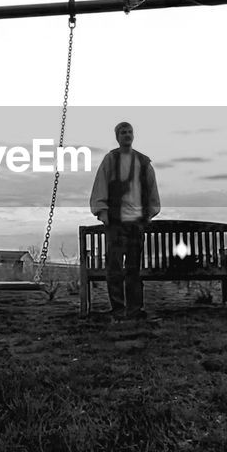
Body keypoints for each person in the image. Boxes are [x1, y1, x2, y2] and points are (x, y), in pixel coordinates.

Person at [89, 122, 161, 318]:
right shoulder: (110, 159)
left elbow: (152, 191)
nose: (127, 135)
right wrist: (102, 213)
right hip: (115, 222)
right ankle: (119, 308)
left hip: (136, 223)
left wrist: (149, 214)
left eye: (129, 132)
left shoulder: (144, 162)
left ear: (133, 135)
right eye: (123, 132)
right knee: (114, 268)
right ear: (117, 136)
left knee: (133, 269)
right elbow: (100, 185)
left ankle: (135, 309)